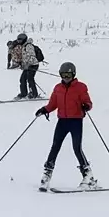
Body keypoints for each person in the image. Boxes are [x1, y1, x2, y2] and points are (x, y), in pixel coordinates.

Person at [35, 62, 95, 191]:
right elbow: (53, 104)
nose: (65, 77)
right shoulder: (58, 88)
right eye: (63, 75)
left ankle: (88, 176)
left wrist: (86, 106)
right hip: (62, 121)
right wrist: (44, 110)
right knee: (55, 146)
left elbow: (88, 102)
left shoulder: (81, 87)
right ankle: (47, 175)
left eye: (68, 74)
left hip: (76, 121)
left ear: (73, 74)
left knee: (76, 148)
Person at [13, 33, 42, 100]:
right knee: (22, 79)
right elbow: (25, 58)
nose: (19, 42)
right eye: (18, 40)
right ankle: (23, 93)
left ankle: (33, 94)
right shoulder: (24, 46)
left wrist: (28, 64)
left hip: (33, 65)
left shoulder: (28, 46)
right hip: (27, 66)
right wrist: (22, 64)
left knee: (30, 79)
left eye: (20, 40)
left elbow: (32, 56)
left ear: (24, 39)